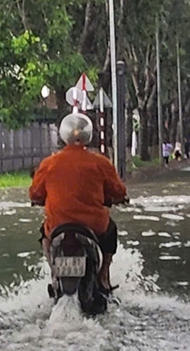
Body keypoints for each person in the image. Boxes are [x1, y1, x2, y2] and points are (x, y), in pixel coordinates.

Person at [30, 113, 128, 293]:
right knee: (111, 230)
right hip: (94, 226)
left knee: (44, 235)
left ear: (63, 135)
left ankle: (54, 274)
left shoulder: (49, 163)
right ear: (88, 135)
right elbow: (119, 191)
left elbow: (35, 193)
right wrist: (118, 198)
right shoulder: (100, 162)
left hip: (58, 225)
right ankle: (104, 275)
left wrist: (38, 200)